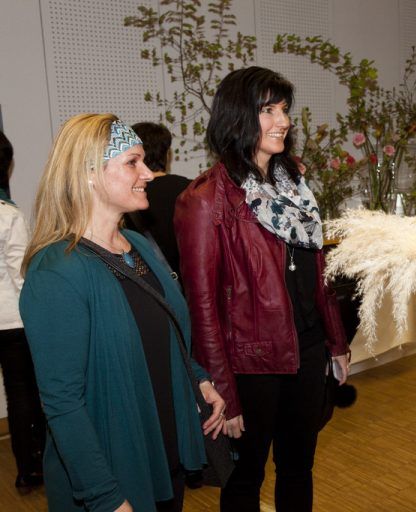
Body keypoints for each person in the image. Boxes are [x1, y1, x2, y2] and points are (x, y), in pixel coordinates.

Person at [19, 114, 226, 512]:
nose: (147, 173)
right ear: (89, 173)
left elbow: (165, 333)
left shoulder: (137, 244)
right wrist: (105, 496)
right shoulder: (57, 271)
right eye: (133, 162)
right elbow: (62, 402)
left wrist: (198, 378)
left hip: (162, 457)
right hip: (114, 477)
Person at [174, 66, 350, 511]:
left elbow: (318, 271)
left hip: (307, 349)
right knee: (244, 479)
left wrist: (335, 341)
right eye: (268, 110)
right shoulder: (205, 200)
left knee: (298, 467)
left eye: (284, 109)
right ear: (238, 116)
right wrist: (224, 392)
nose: (283, 121)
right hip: (250, 364)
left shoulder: (294, 186)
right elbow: (202, 306)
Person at [0, 130, 45, 493]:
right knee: (25, 395)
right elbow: (21, 275)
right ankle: (31, 469)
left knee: (15, 394)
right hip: (14, 320)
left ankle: (26, 470)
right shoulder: (8, 215)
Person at [123, 122, 190, 277]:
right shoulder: (193, 190)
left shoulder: (128, 197)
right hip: (192, 283)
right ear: (167, 154)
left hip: (151, 283)